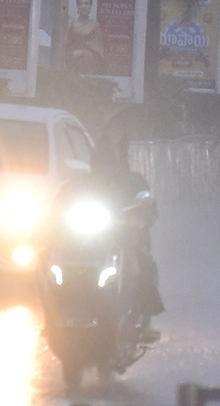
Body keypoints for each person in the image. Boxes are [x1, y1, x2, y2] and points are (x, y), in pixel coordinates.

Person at [50, 133, 164, 332]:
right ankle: (52, 311)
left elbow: (149, 207)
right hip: (82, 240)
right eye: (99, 161)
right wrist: (54, 215)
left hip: (122, 238)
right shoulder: (79, 184)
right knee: (47, 260)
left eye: (107, 161)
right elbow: (59, 204)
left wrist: (140, 218)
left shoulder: (132, 181)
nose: (103, 166)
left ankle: (145, 315)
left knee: (144, 263)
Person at [66, 0, 105, 74]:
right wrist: (71, 54)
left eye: (86, 4)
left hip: (87, 65)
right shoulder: (70, 23)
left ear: (90, 6)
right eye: (80, 4)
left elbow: (98, 52)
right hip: (71, 62)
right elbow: (64, 45)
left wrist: (82, 53)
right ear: (77, 6)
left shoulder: (94, 25)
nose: (83, 6)